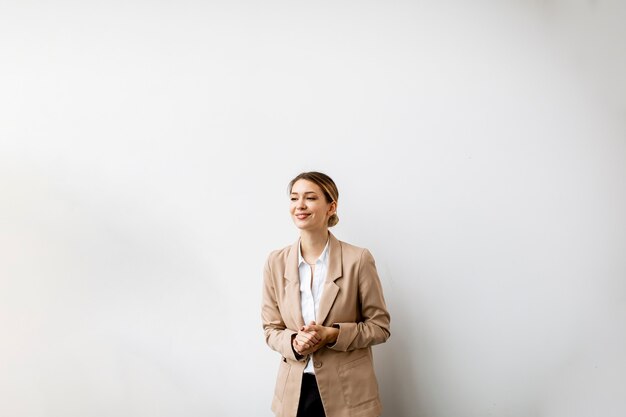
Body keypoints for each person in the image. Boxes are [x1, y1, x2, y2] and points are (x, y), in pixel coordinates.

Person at [261, 171, 391, 417]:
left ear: (331, 207)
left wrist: (334, 334)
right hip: (294, 393)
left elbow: (380, 327)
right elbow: (270, 329)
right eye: (293, 198)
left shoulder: (358, 259)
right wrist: (293, 342)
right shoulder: (275, 262)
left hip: (349, 395)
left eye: (310, 198)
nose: (300, 205)